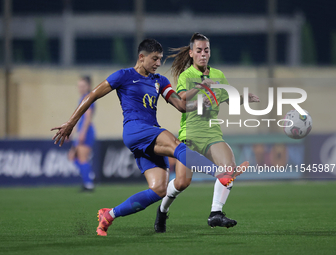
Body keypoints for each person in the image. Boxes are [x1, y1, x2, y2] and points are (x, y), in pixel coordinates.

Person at [51, 39, 246, 237]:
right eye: (154, 59)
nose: (158, 63)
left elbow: (180, 106)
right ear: (141, 57)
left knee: (159, 188)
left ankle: (109, 215)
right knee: (175, 144)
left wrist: (200, 103)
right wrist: (71, 123)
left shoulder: (159, 81)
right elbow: (92, 95)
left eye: (160, 59)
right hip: (136, 130)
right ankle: (219, 173)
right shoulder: (124, 75)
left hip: (149, 134)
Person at [154, 33, 259, 232]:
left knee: (228, 168)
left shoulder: (218, 75)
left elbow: (228, 98)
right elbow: (182, 99)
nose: (203, 54)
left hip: (212, 135)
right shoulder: (186, 76)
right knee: (182, 182)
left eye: (206, 50)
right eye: (199, 50)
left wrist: (246, 97)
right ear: (192, 53)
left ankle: (215, 213)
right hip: (190, 136)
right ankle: (162, 210)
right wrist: (202, 85)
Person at [68, 76, 96, 191]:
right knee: (72, 156)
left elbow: (88, 117)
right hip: (81, 131)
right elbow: (78, 119)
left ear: (88, 86)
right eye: (79, 86)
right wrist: (71, 131)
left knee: (82, 158)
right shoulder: (82, 98)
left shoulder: (88, 98)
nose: (80, 88)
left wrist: (82, 133)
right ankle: (88, 173)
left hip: (86, 131)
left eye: (83, 86)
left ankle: (89, 183)